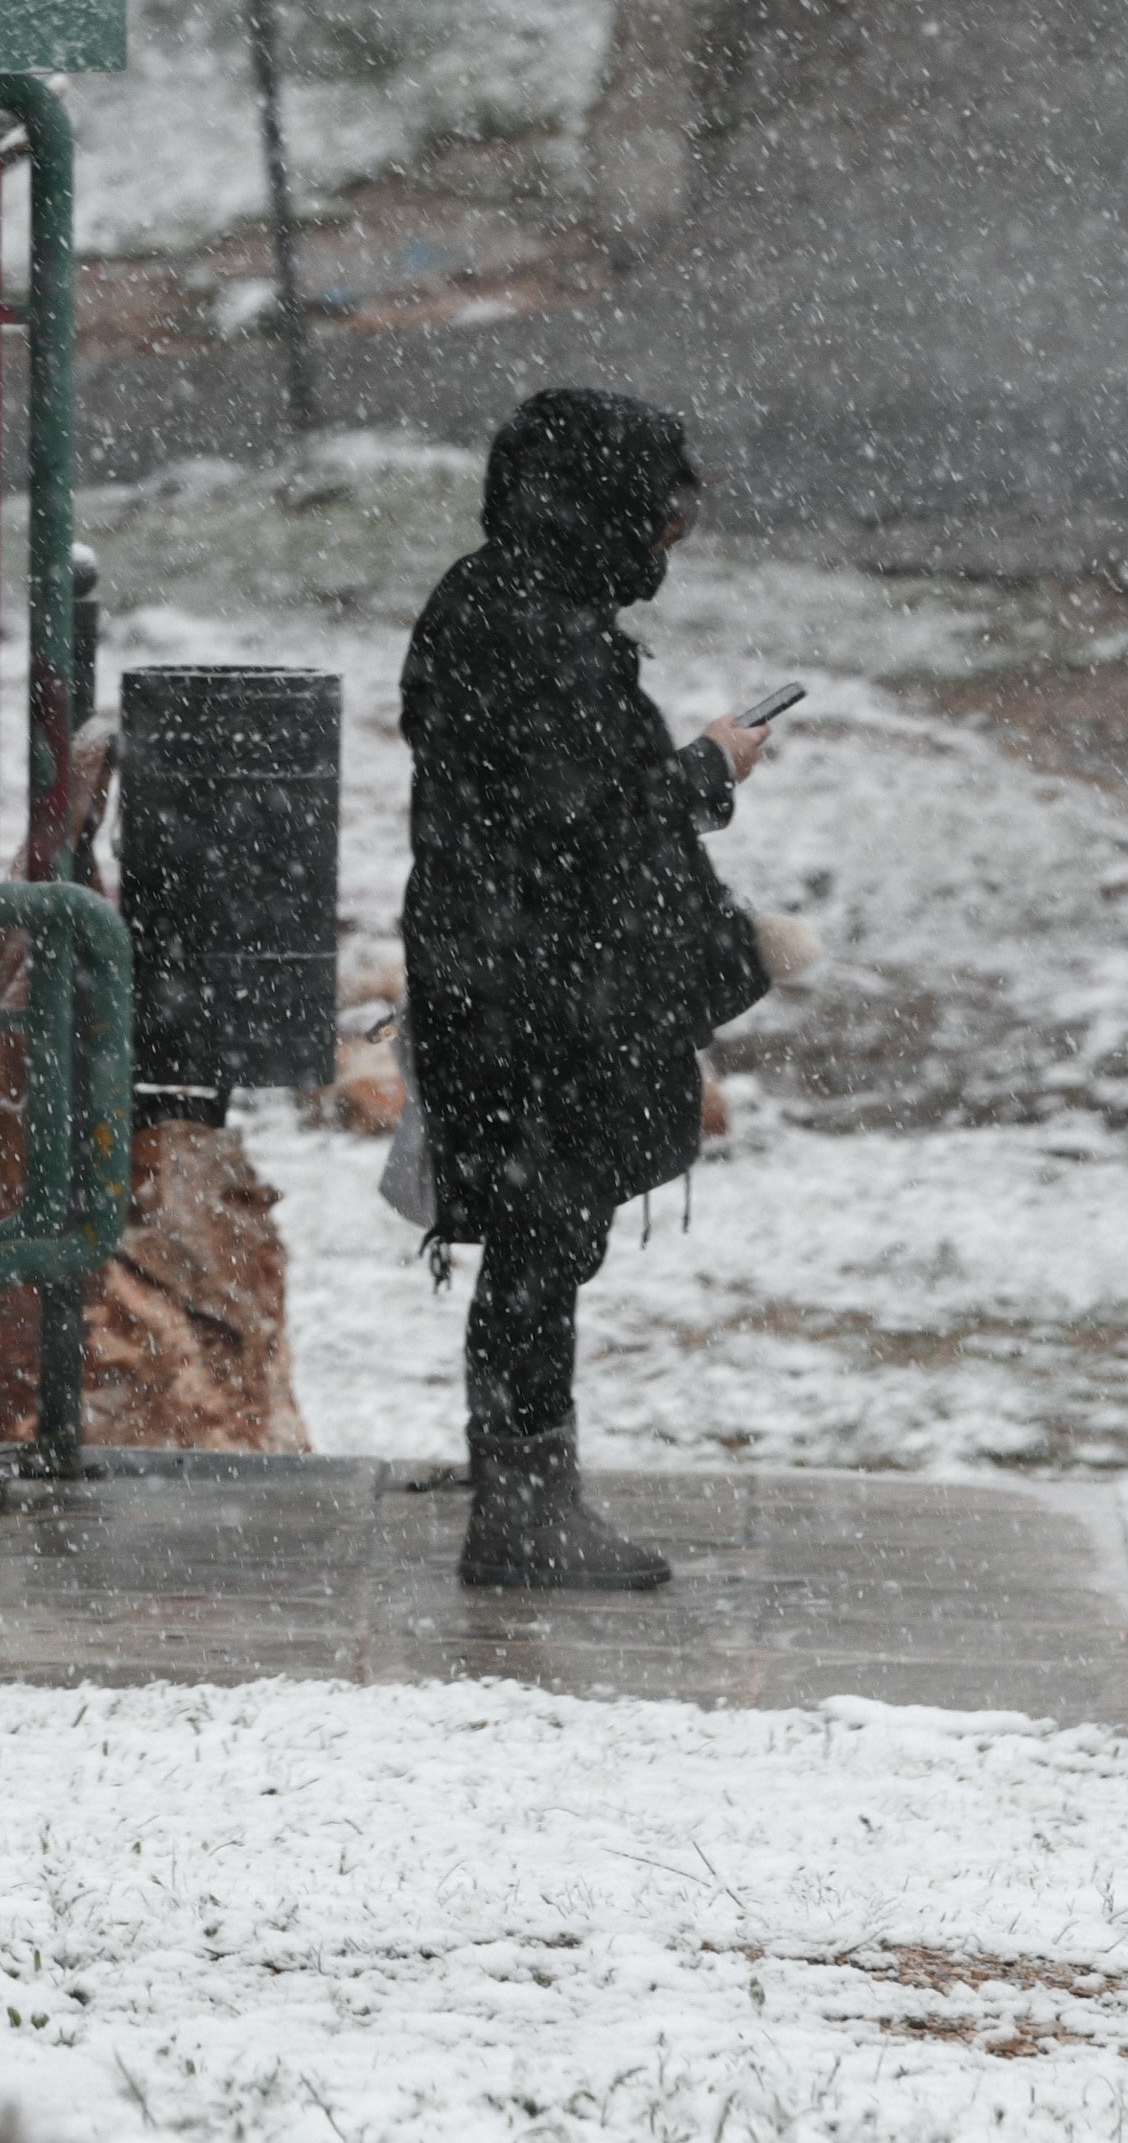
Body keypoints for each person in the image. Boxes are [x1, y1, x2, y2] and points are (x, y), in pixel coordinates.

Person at [400, 387, 778, 1589]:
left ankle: (522, 1497)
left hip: (502, 973)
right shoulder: (537, 631)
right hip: (534, 993)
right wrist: (707, 767)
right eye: (656, 522)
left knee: (541, 1233)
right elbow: (580, 823)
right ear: (599, 509)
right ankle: (520, 1516)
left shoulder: (494, 601)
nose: (664, 550)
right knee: (540, 1236)